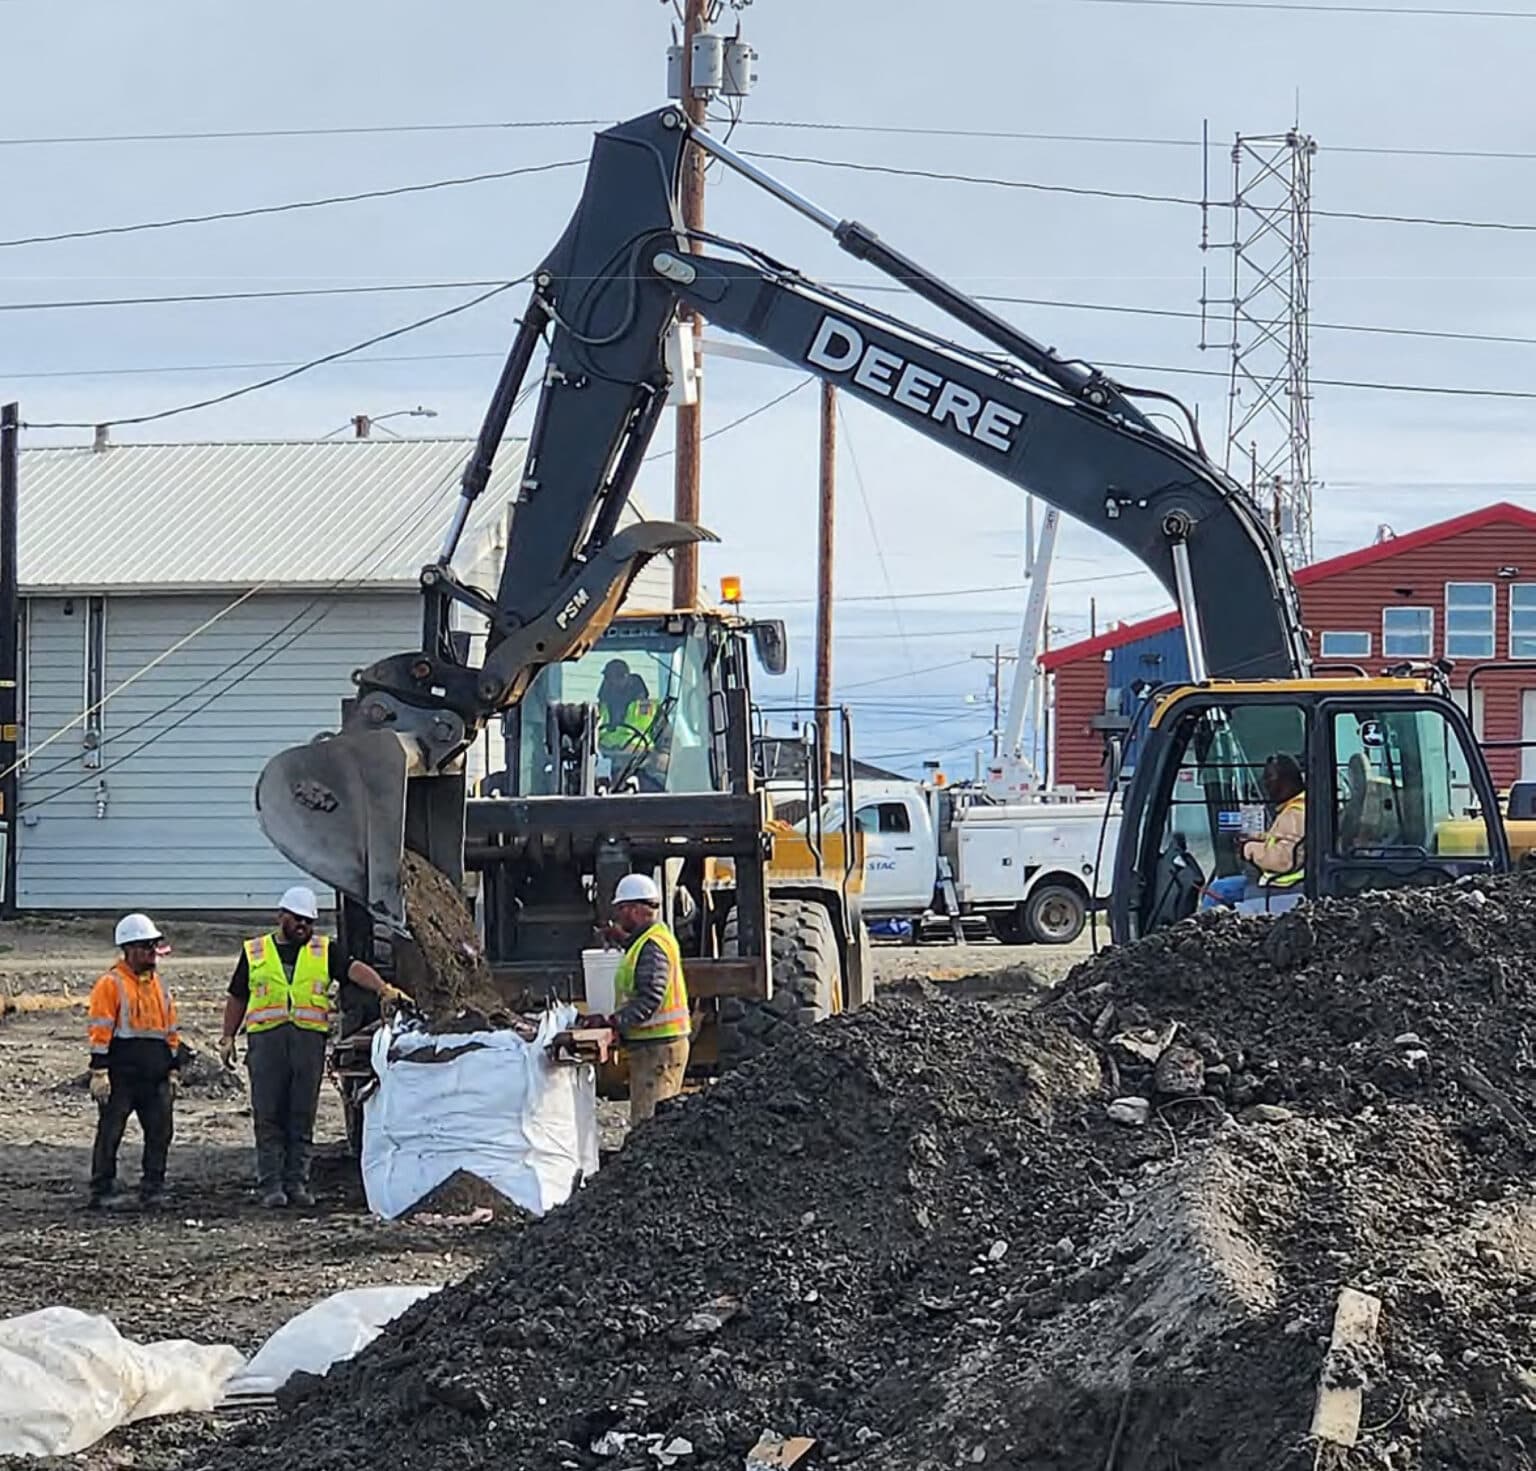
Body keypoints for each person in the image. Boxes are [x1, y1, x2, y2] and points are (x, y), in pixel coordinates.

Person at [220, 885, 409, 1208]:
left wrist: (383, 988)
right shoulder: (256, 952)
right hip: (267, 1042)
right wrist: (227, 1036)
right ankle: (271, 1185)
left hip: (307, 1041)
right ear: (282, 917)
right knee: (268, 1115)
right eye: (297, 920)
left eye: (308, 921)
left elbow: (353, 969)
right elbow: (238, 995)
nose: (303, 927)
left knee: (301, 1114)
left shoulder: (323, 950)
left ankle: (297, 1183)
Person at [86, 913, 180, 1211]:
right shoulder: (110, 984)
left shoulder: (158, 987)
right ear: (128, 949)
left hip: (155, 1075)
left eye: (154, 946)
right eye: (146, 947)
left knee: (160, 1132)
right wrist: (99, 1071)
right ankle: (102, 1188)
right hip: (121, 1074)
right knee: (111, 1132)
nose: (153, 953)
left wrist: (173, 1068)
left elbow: (170, 1030)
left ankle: (153, 1187)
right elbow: (100, 1028)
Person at [589, 873, 691, 1125]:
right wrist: (621, 939)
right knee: (652, 1125)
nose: (618, 916)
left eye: (621, 910)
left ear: (634, 910)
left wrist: (613, 1023)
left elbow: (649, 998)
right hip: (653, 1048)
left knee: (649, 1127)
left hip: (658, 1051)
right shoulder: (649, 939)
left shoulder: (653, 945)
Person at [1203, 754, 1307, 911]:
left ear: (1287, 780)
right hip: (1277, 883)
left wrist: (1248, 849)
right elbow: (1281, 839)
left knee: (1216, 890)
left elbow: (1283, 859)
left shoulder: (1295, 814)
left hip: (1281, 888)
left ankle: (1203, 931)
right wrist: (1255, 838)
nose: (1265, 784)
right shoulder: (1295, 808)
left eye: (1270, 778)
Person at [597, 659, 660, 757]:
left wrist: (663, 755)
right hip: (601, 761)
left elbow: (669, 740)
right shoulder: (598, 709)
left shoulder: (650, 709)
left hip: (639, 763)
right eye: (607, 678)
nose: (609, 682)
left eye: (615, 677)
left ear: (626, 677)